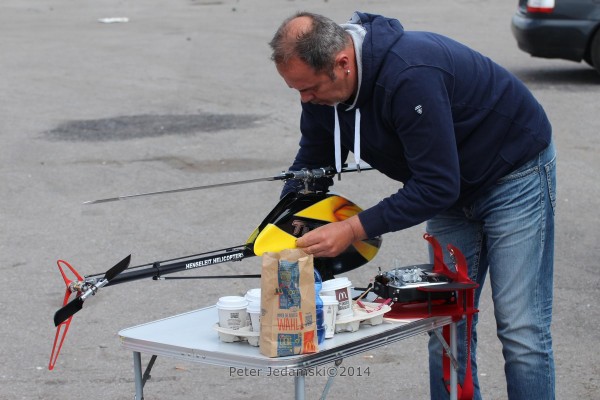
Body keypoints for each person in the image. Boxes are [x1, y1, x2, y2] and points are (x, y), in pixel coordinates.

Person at [269, 11, 556, 400]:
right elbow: (314, 158)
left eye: (309, 88)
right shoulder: (321, 91)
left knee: (520, 329)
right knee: (445, 321)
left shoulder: (410, 74)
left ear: (343, 63)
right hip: (449, 185)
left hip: (512, 174)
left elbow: (437, 185)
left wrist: (353, 229)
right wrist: (284, 217)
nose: (305, 99)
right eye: (297, 90)